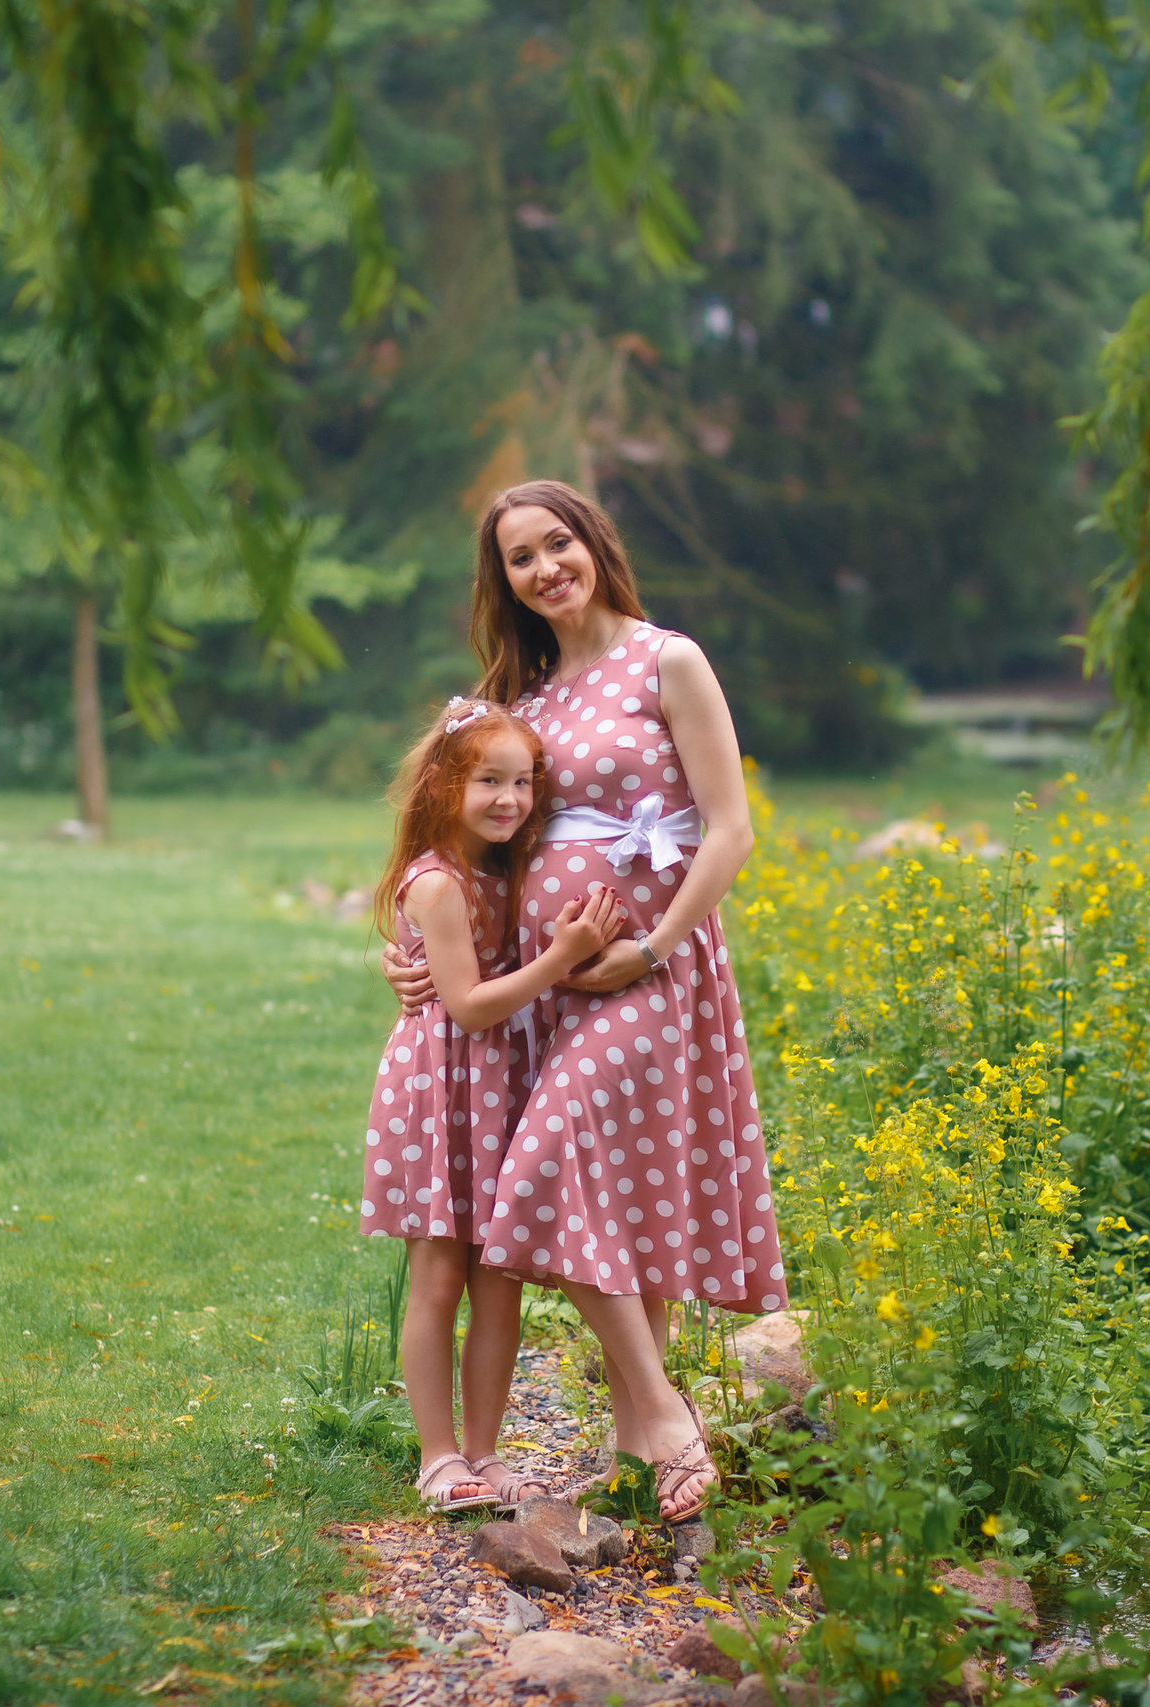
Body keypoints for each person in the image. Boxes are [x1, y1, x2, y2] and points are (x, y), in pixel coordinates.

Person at [388, 479, 784, 1525]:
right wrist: (423, 953)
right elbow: (468, 832)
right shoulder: (523, 691)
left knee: (555, 1156)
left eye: (555, 543)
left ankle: (655, 1412)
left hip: (653, 966)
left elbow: (729, 827)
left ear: (593, 543)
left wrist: (650, 948)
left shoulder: (669, 659)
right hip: (543, 982)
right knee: (623, 1182)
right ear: (505, 583)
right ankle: (636, 1444)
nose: (543, 568)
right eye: (519, 559)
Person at [363, 696, 629, 1513]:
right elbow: (472, 1005)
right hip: (444, 1088)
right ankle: (439, 1458)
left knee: (500, 1284)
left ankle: (485, 1450)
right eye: (489, 780)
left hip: (502, 1087)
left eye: (521, 782)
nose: (509, 798)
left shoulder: (504, 868)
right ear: (446, 784)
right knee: (440, 1278)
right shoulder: (438, 882)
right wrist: (563, 956)